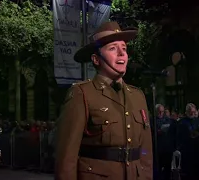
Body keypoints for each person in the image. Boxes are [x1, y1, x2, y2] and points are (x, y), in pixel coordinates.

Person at [55, 21, 153, 180]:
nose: (122, 54)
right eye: (113, 48)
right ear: (96, 59)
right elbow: (67, 157)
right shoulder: (82, 94)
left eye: (124, 48)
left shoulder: (138, 96)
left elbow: (145, 152)